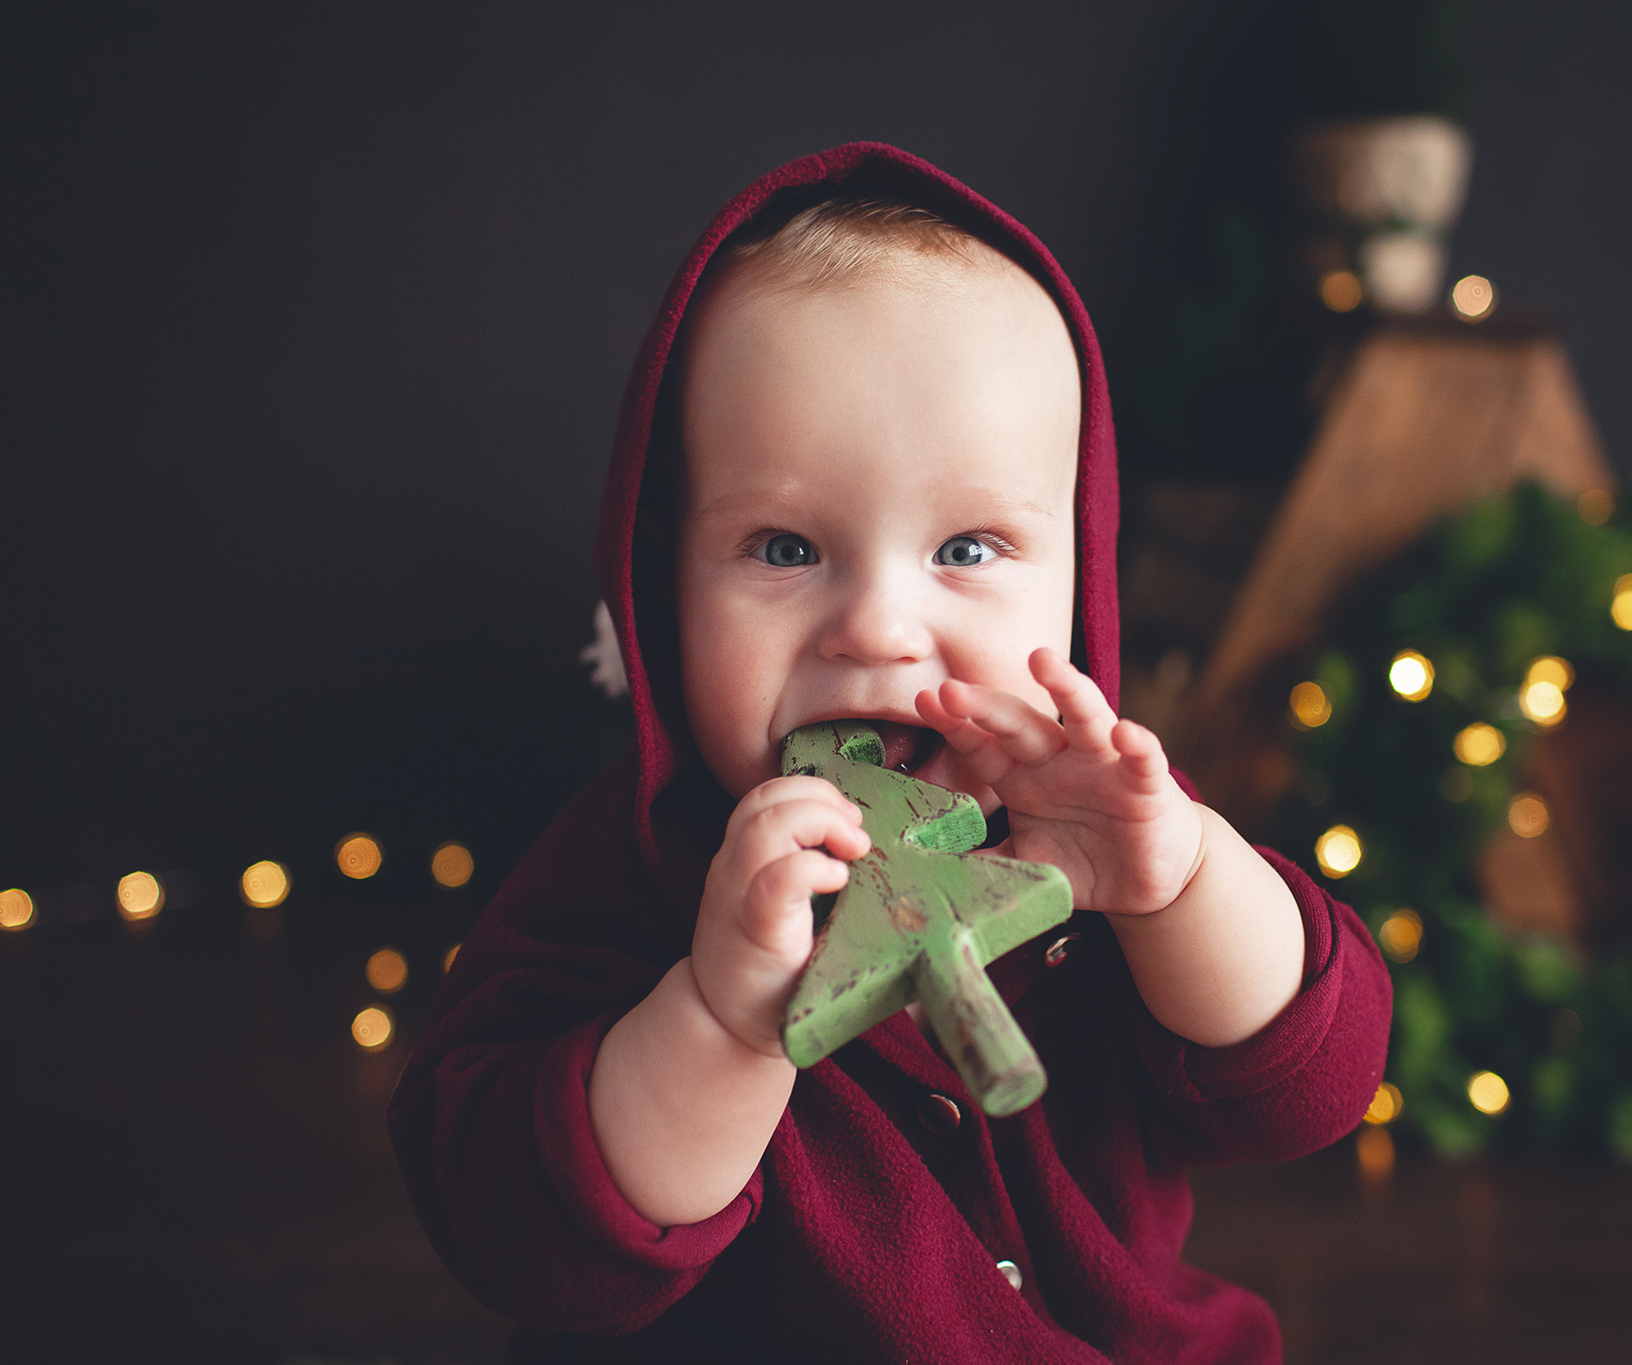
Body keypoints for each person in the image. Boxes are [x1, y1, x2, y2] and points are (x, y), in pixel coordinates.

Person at [389, 142, 1391, 1363]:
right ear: (663, 589)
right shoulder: (627, 870)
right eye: (785, 549)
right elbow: (515, 1235)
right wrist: (719, 1020)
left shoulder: (1104, 828)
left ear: (1079, 584)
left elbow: (1309, 1092)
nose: (873, 627)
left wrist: (1182, 883)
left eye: (966, 549)